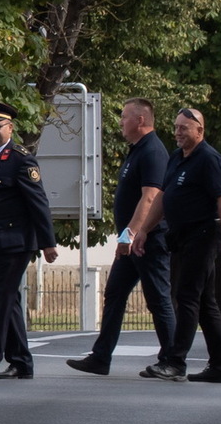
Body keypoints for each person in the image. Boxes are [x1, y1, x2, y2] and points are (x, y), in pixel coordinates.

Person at [69, 98, 179, 377]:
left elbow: (151, 196)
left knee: (158, 299)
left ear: (140, 120)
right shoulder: (138, 150)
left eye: (124, 116)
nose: (120, 121)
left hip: (147, 240)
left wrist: (130, 234)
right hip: (133, 240)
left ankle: (173, 360)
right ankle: (101, 356)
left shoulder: (152, 151)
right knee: (115, 293)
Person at [129, 107, 221, 384]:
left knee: (187, 296)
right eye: (176, 127)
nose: (177, 132)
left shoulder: (210, 159)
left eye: (184, 128)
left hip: (203, 235)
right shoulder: (177, 158)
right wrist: (143, 230)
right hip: (182, 237)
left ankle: (175, 362)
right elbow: (163, 198)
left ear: (199, 131)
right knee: (205, 303)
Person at [0, 101, 58, 379]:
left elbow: (37, 202)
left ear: (10, 128)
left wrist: (47, 242)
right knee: (9, 302)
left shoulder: (21, 159)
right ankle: (21, 362)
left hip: (16, 240)